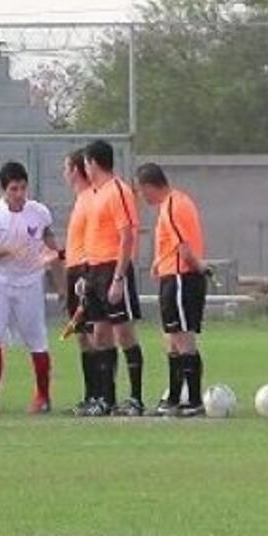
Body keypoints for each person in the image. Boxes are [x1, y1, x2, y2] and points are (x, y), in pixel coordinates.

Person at [0, 162, 61, 414]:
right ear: (4, 190)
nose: (19, 194)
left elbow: (51, 245)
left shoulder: (39, 212)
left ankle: (43, 396)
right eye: (14, 189)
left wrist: (61, 283)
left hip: (30, 282)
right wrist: (8, 250)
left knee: (36, 338)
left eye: (23, 188)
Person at [136, 163, 209, 418]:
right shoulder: (175, 202)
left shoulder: (173, 205)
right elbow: (172, 245)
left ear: (149, 186)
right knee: (172, 339)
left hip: (181, 278)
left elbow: (184, 249)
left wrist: (199, 266)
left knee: (182, 338)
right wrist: (159, 262)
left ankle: (195, 401)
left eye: (141, 190)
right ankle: (174, 398)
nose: (142, 197)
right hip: (172, 276)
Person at [81, 139, 144, 417]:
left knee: (124, 332)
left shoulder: (118, 190)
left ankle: (136, 398)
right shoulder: (95, 194)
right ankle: (107, 399)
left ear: (93, 162)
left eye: (86, 163)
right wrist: (86, 274)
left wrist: (118, 278)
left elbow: (127, 235)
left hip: (112, 268)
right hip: (94, 270)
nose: (85, 168)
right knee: (100, 335)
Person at [62, 150, 99, 414]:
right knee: (82, 337)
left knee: (93, 335)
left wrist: (87, 274)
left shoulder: (90, 199)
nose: (64, 173)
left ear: (75, 170)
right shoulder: (81, 199)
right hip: (73, 269)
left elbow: (93, 240)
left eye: (66, 168)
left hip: (84, 271)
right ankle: (90, 395)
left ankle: (100, 395)